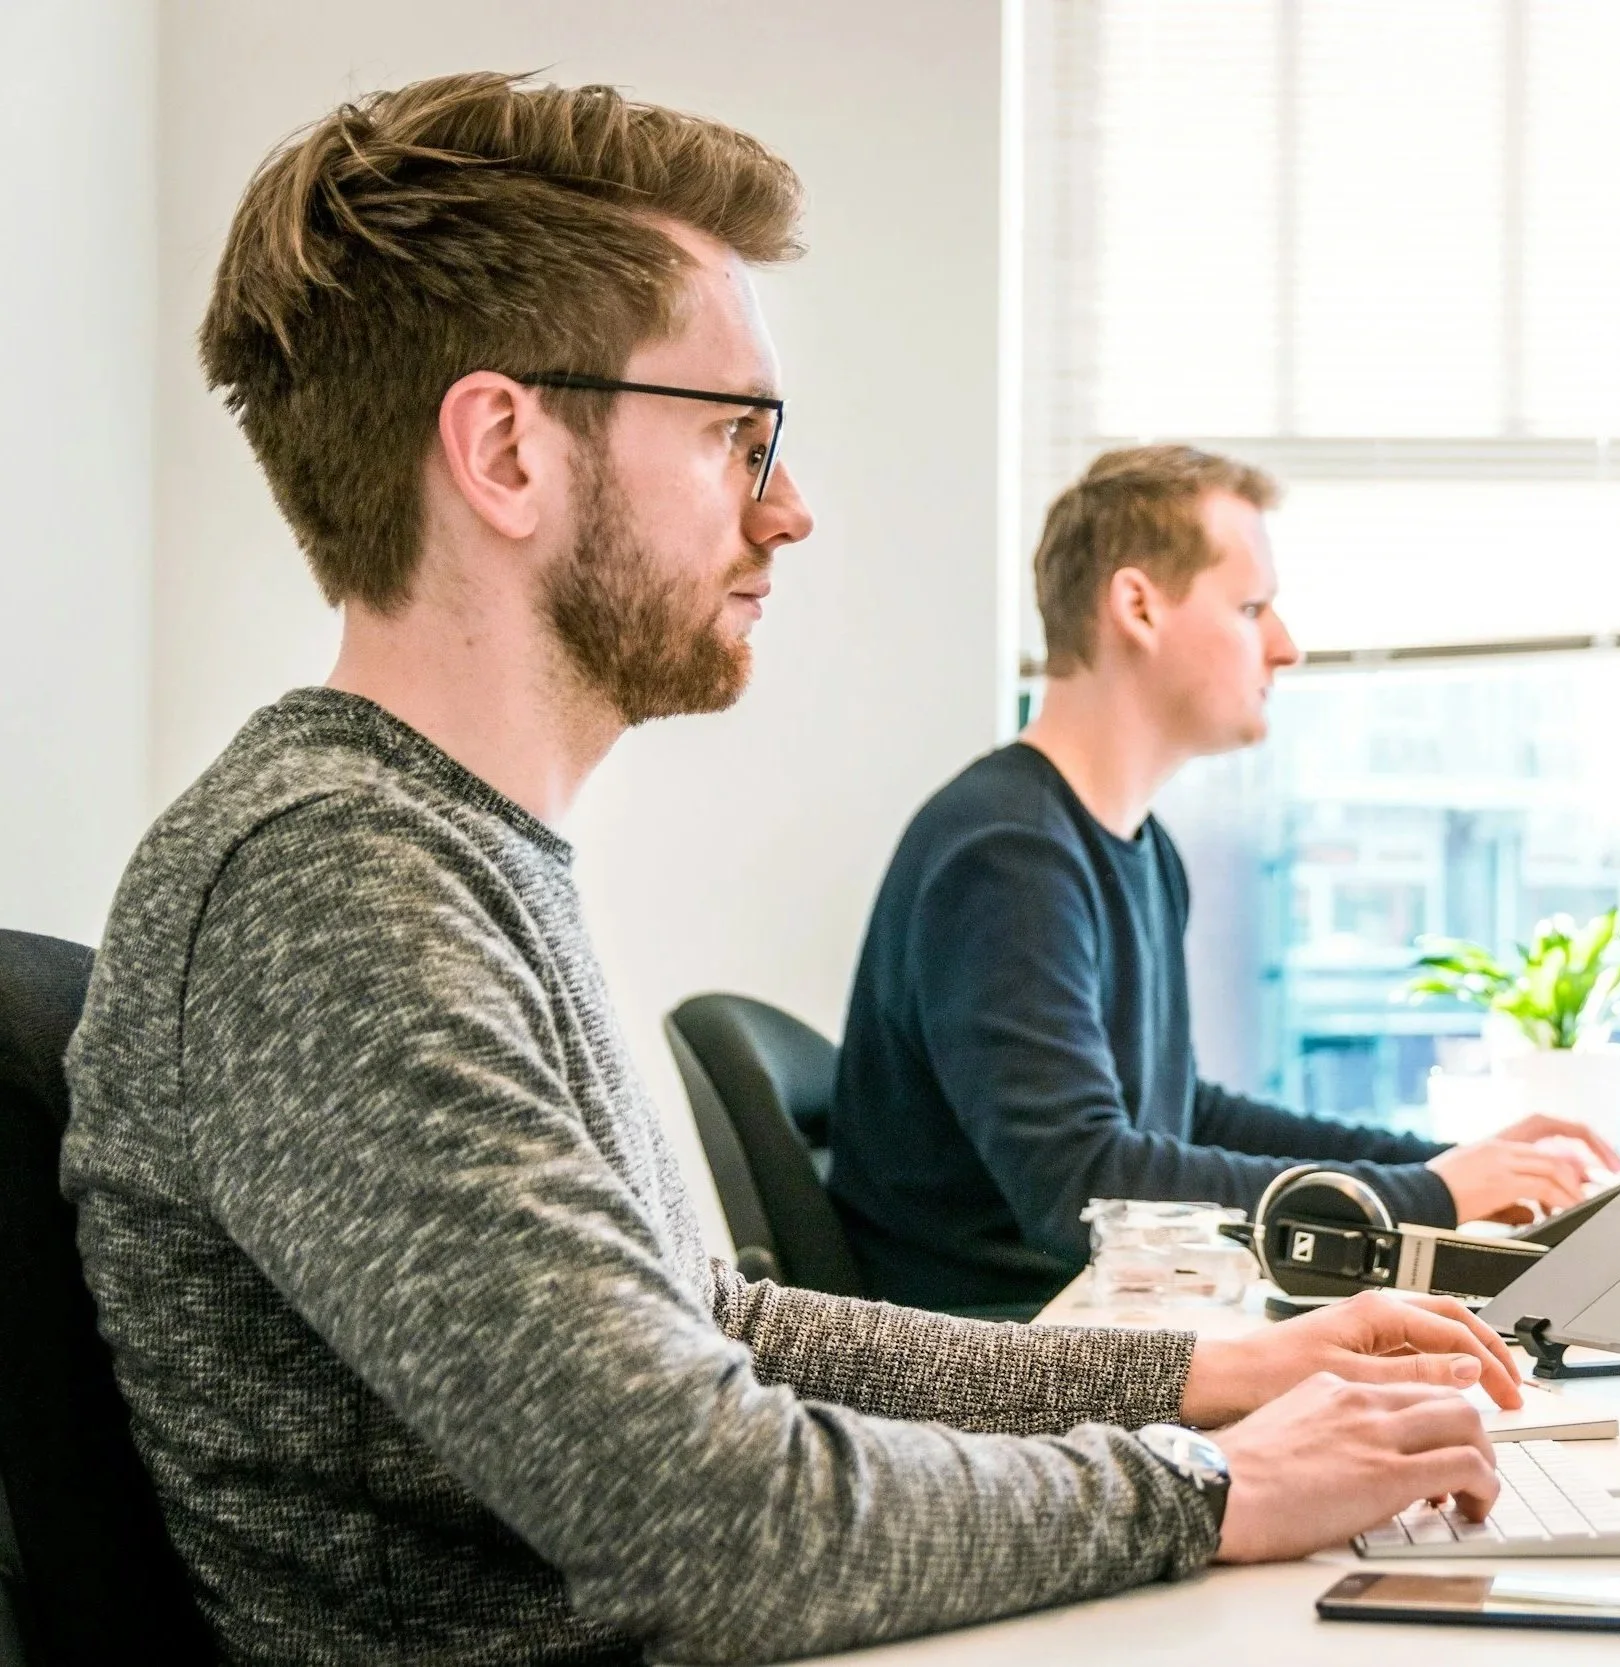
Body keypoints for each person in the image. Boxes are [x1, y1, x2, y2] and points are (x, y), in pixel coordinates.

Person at [60, 74, 1527, 1666]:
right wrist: (1212, 1480)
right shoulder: (331, 887)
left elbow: (719, 1330)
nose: (792, 507)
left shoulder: (450, 852)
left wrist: (1198, 1375)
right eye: (739, 437)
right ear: (505, 447)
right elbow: (716, 1517)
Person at [825, 446, 1620, 1315]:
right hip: (1005, 1355)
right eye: (1251, 607)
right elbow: (1085, 1189)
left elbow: (1182, 1116)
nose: (1286, 646)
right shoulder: (1006, 855)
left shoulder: (1135, 848)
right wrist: (1428, 1197)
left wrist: (1441, 1166)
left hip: (1096, 1320)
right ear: (1138, 606)